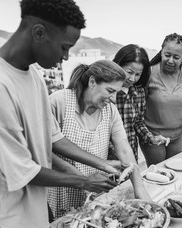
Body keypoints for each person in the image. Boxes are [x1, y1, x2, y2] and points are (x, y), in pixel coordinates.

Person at [0, 0, 121, 228]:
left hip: (35, 210)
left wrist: (103, 165)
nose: (66, 57)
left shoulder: (33, 76)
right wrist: (85, 180)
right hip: (5, 225)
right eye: (64, 47)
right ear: (39, 33)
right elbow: (21, 171)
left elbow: (53, 139)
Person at [48, 60, 151, 219]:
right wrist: (82, 179)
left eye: (116, 92)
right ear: (92, 82)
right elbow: (45, 150)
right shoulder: (58, 102)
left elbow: (124, 149)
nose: (114, 98)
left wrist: (140, 188)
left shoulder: (111, 111)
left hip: (93, 189)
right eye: (110, 90)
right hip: (62, 188)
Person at [140, 33, 182, 166]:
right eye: (167, 55)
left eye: (176, 57)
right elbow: (138, 108)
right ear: (161, 52)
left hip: (178, 136)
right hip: (154, 136)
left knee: (175, 171)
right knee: (158, 174)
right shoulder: (149, 73)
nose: (171, 60)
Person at [110, 44, 168, 162]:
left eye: (137, 74)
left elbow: (138, 122)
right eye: (129, 72)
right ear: (118, 66)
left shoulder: (139, 92)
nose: (132, 78)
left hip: (131, 154)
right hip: (108, 158)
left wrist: (151, 138)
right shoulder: (107, 92)